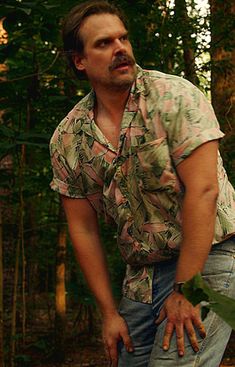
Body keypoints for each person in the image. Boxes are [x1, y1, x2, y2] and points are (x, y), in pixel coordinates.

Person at [49, 1, 235, 366]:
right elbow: (83, 227)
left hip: (210, 258)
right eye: (104, 43)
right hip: (141, 278)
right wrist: (108, 313)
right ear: (79, 61)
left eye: (123, 38)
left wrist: (186, 290)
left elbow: (204, 190)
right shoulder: (69, 136)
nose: (120, 48)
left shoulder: (174, 96)